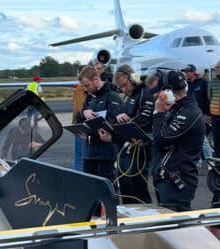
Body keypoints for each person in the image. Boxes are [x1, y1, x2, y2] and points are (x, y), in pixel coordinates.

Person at [151, 70, 205, 211]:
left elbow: (160, 139)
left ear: (168, 91)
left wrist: (158, 113)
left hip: (178, 180)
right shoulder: (175, 107)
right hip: (165, 176)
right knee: (166, 227)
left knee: (178, 228)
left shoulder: (189, 112)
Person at [109, 64, 152, 203]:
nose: (123, 89)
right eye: (120, 87)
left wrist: (129, 121)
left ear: (132, 79)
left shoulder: (145, 93)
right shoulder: (130, 96)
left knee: (138, 188)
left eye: (124, 85)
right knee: (126, 187)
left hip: (140, 149)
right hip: (127, 147)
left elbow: (145, 121)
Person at [76, 65, 122, 184]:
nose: (86, 89)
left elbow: (114, 122)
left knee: (107, 188)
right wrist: (83, 112)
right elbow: (78, 118)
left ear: (96, 80)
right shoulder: (89, 97)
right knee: (91, 188)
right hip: (89, 152)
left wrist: (93, 134)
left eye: (87, 85)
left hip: (105, 153)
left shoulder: (112, 95)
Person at [182, 63, 213, 159]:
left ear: (193, 72)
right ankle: (197, 160)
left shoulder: (203, 82)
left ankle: (210, 160)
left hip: (201, 115)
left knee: (203, 140)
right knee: (192, 140)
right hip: (190, 115)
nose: (186, 73)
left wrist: (208, 114)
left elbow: (208, 99)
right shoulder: (185, 85)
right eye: (185, 71)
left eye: (188, 71)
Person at [70, 77, 86, 171]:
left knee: (79, 158)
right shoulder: (81, 88)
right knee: (80, 159)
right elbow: (78, 108)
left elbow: (76, 108)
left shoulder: (80, 88)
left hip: (80, 125)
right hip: (82, 126)